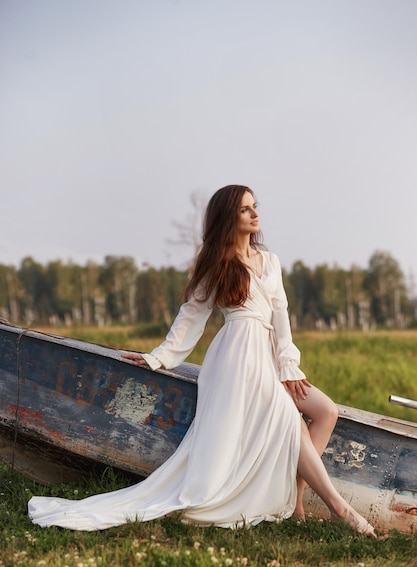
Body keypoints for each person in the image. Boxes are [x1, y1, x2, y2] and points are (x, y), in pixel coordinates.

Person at [28, 185, 376, 537]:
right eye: (245, 209)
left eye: (255, 207)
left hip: (270, 354)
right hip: (237, 355)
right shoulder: (217, 263)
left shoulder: (269, 261)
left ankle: (296, 496)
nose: (255, 214)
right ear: (229, 217)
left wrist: (288, 364)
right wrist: (158, 358)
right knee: (289, 419)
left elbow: (281, 315)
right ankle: (340, 508)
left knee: (325, 411)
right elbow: (192, 314)